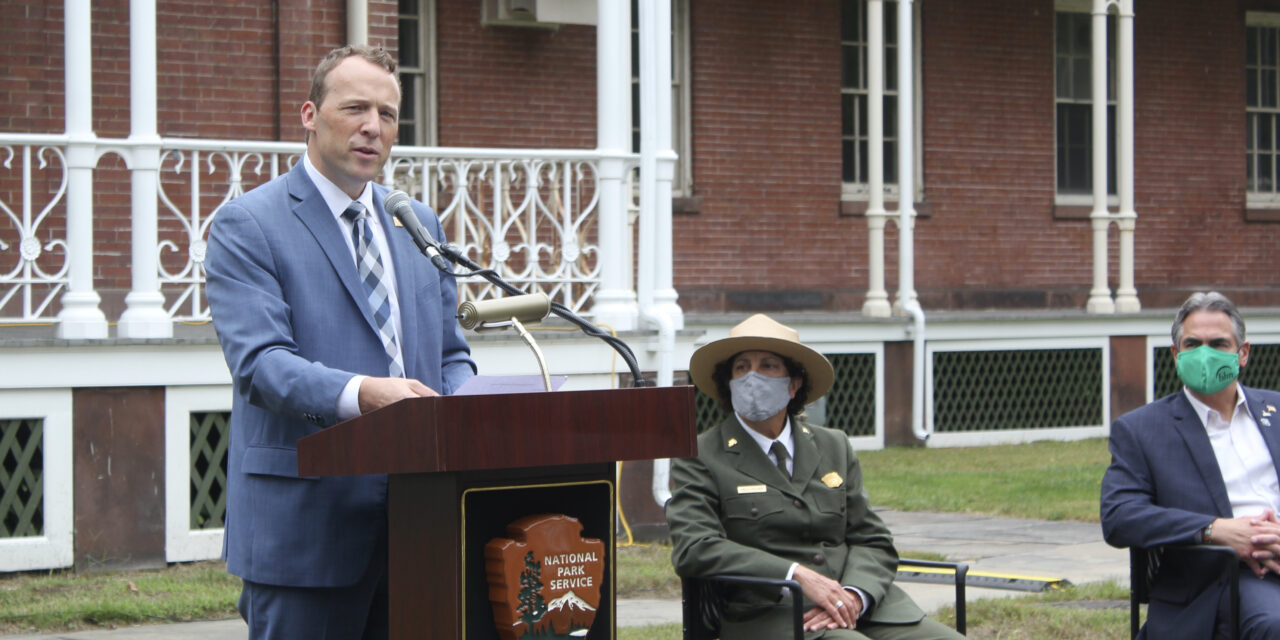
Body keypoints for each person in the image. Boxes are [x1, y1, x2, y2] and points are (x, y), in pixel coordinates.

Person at [204, 44, 476, 639]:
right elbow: (261, 365)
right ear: (309, 114)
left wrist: (468, 406)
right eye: (354, 108)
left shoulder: (417, 223)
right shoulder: (249, 224)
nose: (372, 128)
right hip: (308, 531)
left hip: (421, 523)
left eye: (386, 114)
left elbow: (450, 354)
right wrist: (364, 394)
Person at [666, 314, 963, 639]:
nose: (752, 377)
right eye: (741, 367)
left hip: (862, 607)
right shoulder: (703, 454)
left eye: (768, 366)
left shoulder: (832, 444)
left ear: (793, 384)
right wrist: (795, 575)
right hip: (773, 614)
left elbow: (872, 539)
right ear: (729, 383)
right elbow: (695, 547)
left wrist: (854, 594)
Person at [1101, 292, 1280, 639]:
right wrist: (1216, 530)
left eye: (1218, 344)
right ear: (1175, 353)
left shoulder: (1278, 411)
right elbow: (1119, 516)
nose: (1204, 354)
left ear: (1242, 353)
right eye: (1193, 344)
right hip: (1221, 578)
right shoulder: (1142, 429)